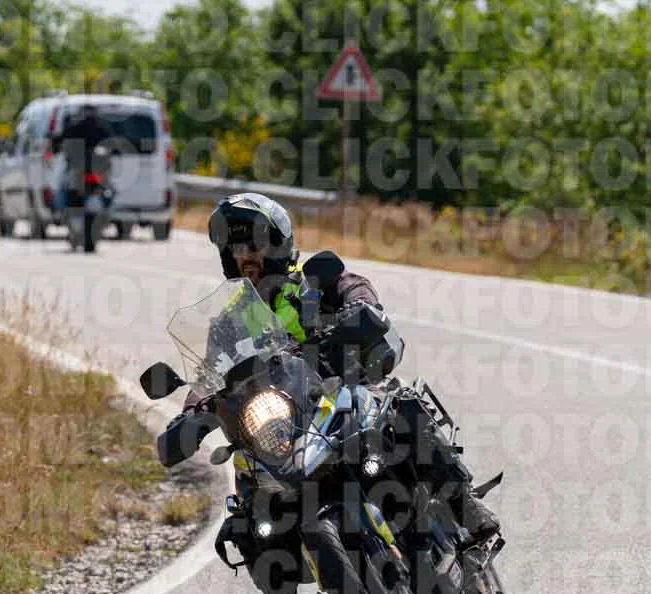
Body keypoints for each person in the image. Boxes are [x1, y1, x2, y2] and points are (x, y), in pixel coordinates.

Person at [206, 192, 500, 544]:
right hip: (285, 423)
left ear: (276, 243)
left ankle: (463, 501)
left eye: (251, 246)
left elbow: (355, 287)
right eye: (234, 249)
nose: (243, 257)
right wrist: (192, 409)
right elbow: (209, 374)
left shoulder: (309, 282)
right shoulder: (230, 321)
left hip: (342, 393)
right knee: (249, 506)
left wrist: (358, 307)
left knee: (400, 404)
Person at [53, 105, 111, 210]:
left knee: (62, 186)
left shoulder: (73, 128)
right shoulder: (101, 130)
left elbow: (59, 142)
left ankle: (60, 210)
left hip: (84, 170)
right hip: (86, 170)